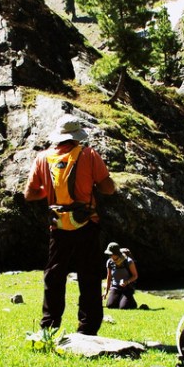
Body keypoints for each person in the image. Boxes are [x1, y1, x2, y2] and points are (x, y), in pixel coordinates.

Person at [24, 115, 116, 334]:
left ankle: (49, 326)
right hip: (86, 223)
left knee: (54, 275)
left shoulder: (43, 158)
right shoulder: (89, 155)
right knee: (89, 276)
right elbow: (108, 189)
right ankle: (87, 329)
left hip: (58, 225)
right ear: (76, 137)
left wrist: (49, 192)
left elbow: (29, 194)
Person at [104, 242, 138, 309]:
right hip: (115, 287)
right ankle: (119, 299)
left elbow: (135, 276)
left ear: (117, 253)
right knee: (110, 305)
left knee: (123, 307)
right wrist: (106, 291)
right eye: (109, 254)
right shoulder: (109, 262)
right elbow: (109, 276)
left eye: (111, 254)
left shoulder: (128, 261)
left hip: (127, 287)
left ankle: (132, 303)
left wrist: (127, 282)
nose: (110, 256)